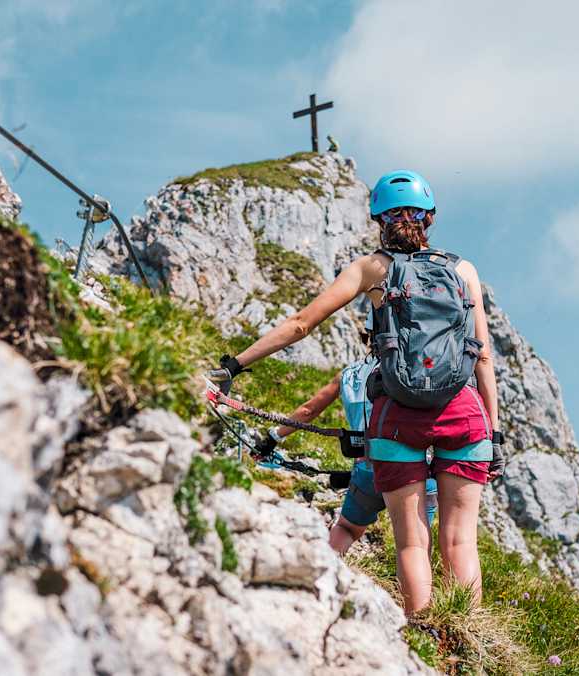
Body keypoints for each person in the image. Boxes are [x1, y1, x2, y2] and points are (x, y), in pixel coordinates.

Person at [208, 170, 503, 614]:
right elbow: (482, 358)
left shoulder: (373, 269)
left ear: (377, 220)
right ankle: (467, 642)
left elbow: (301, 324)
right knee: (460, 540)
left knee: (411, 543)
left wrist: (233, 366)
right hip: (463, 413)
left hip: (397, 417)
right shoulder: (463, 270)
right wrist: (494, 432)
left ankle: (427, 632)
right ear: (431, 218)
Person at [253, 350, 438, 555]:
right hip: (415, 470)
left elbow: (309, 410)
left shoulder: (348, 374)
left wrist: (274, 437)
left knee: (347, 528)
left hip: (368, 468)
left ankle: (325, 571)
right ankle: (417, 585)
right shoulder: (410, 367)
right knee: (415, 545)